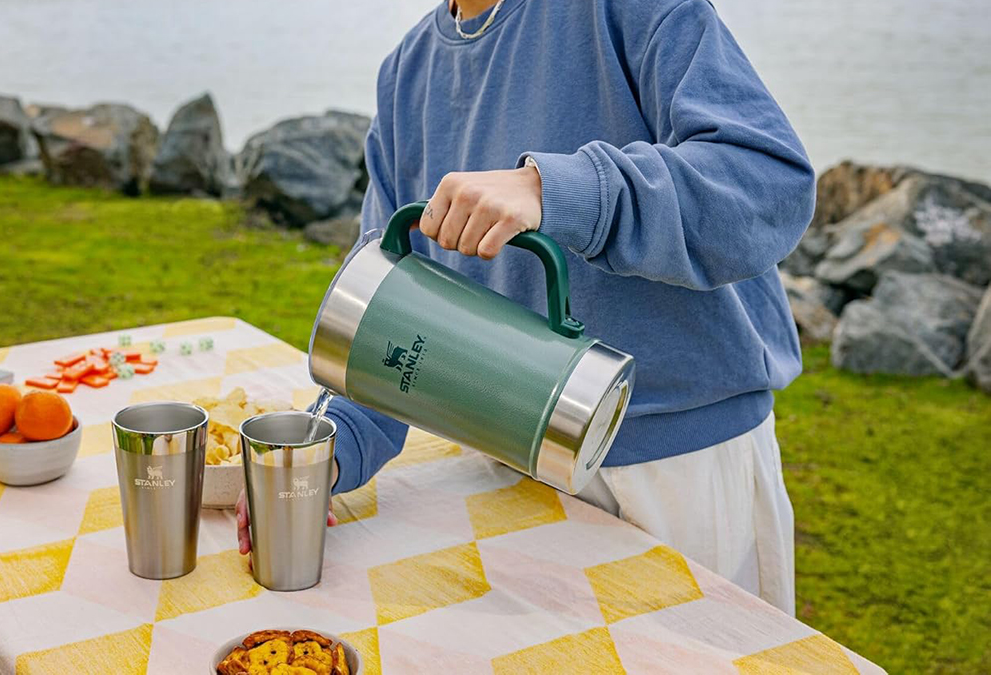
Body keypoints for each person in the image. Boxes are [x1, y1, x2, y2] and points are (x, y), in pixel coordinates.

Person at [239, 0, 814, 614]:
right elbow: (384, 310)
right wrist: (327, 450)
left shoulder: (629, 9)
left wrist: (554, 189)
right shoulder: (407, 70)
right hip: (508, 461)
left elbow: (770, 185)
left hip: (680, 471)